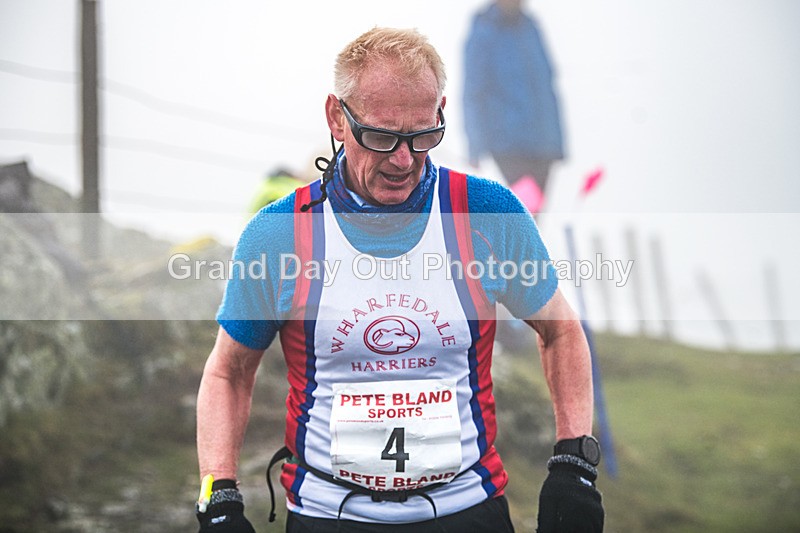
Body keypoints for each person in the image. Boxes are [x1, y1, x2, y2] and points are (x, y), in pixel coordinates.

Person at [195, 27, 603, 533]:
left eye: (423, 135)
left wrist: (574, 463)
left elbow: (560, 331)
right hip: (329, 516)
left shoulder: (487, 213)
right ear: (336, 119)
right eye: (383, 136)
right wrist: (219, 496)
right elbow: (228, 373)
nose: (404, 159)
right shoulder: (279, 234)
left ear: (440, 113)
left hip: (467, 511)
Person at [463, 0, 564, 211]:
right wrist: (474, 145)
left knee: (531, 218)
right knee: (523, 214)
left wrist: (557, 143)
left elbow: (547, 84)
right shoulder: (483, 31)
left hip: (542, 146)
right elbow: (473, 91)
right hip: (507, 146)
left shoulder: (531, 27)